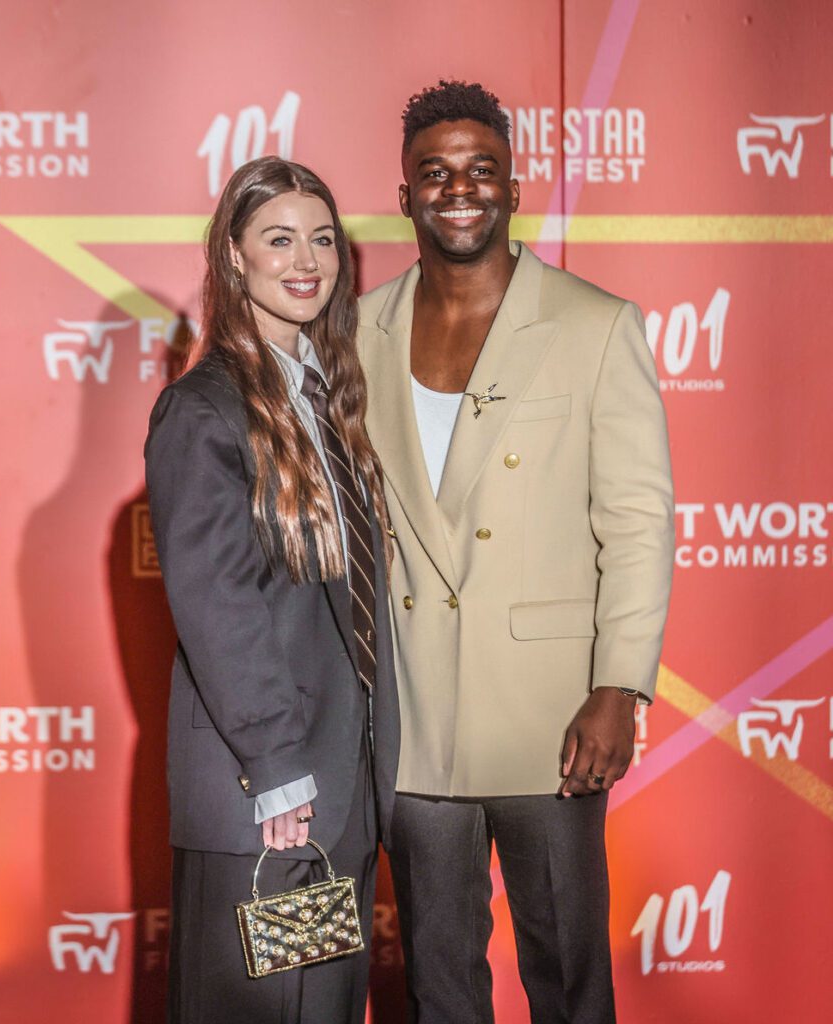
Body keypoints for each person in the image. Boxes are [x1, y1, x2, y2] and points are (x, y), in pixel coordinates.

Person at [357, 81, 674, 1023]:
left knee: (569, 976)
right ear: (407, 191)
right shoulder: (357, 330)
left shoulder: (594, 324)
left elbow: (638, 521)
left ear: (515, 185)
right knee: (438, 983)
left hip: (554, 720)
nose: (461, 189)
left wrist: (619, 687)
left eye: (481, 169)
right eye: (437, 172)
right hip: (413, 720)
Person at [145, 156, 399, 1024]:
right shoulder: (206, 409)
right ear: (234, 258)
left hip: (341, 787)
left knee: (319, 1010)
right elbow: (218, 604)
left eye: (322, 239)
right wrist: (279, 771)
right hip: (272, 799)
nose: (307, 260)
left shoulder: (326, 402)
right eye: (279, 239)